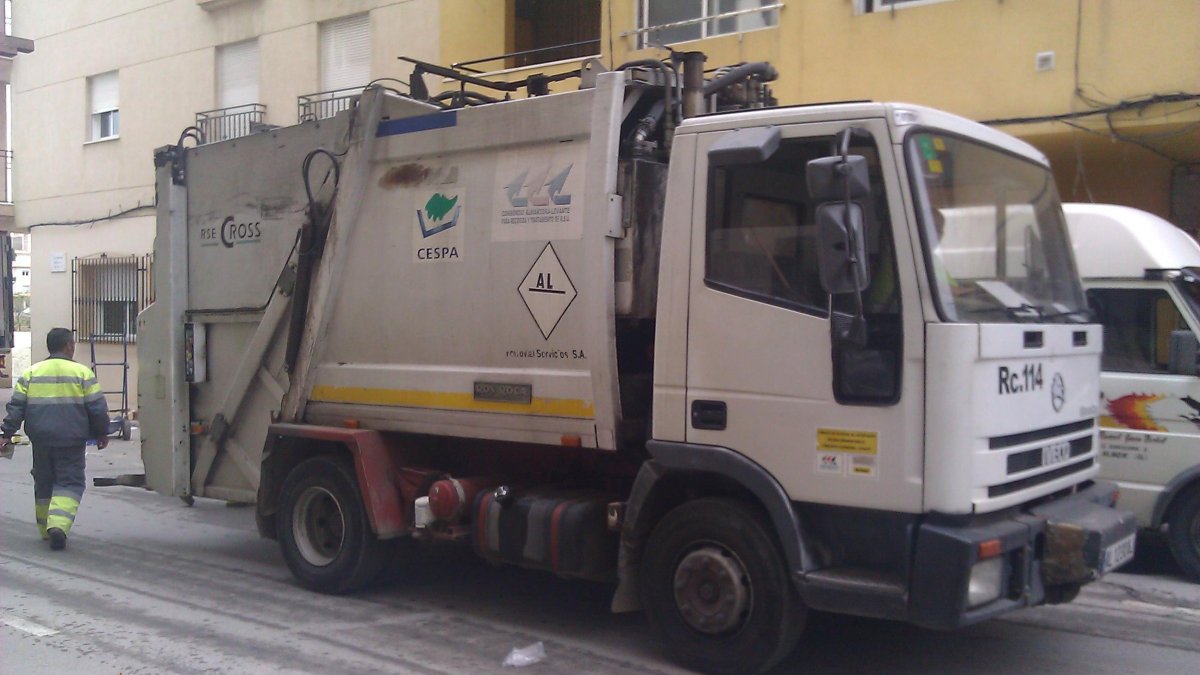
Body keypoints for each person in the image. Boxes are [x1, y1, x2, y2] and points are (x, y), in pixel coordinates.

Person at [2, 328, 109, 550]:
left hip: (41, 440)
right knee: (70, 482)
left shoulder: (31, 373)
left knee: (44, 482)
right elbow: (97, 408)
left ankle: (45, 530)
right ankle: (58, 525)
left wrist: (6, 433)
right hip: (71, 441)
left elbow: (16, 407)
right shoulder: (83, 374)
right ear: (69, 345)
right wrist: (101, 432)